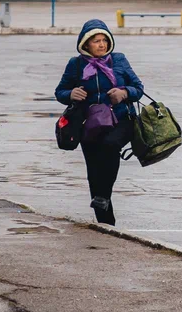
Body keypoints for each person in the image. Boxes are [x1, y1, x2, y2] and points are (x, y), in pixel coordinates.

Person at [55, 19, 144, 225]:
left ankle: (104, 196)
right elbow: (60, 92)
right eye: (96, 41)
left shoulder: (119, 60)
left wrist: (124, 92)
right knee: (94, 172)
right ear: (86, 44)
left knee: (110, 145)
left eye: (105, 40)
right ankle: (106, 225)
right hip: (89, 123)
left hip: (121, 119)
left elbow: (138, 88)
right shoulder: (76, 64)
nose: (102, 45)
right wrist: (71, 94)